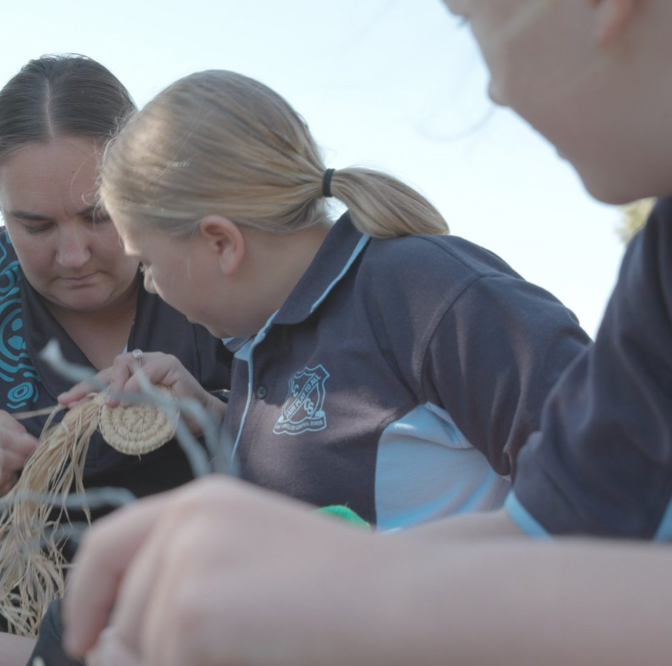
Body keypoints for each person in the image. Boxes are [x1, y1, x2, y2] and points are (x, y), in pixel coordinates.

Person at [61, 1, 672, 663]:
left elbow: (612, 519)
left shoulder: (425, 292)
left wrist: (350, 597)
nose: (492, 91)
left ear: (220, 242)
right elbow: (564, 508)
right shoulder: (250, 348)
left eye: (467, 18)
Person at [61, 67, 589, 531]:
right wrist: (213, 413)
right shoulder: (261, 340)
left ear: (221, 243)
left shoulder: (427, 294)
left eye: (148, 262)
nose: (149, 284)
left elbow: (615, 470)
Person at [0, 55, 231, 665]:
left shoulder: (216, 275)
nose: (74, 254)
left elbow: (327, 475)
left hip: (201, 617)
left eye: (99, 215)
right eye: (34, 226)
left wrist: (212, 417)